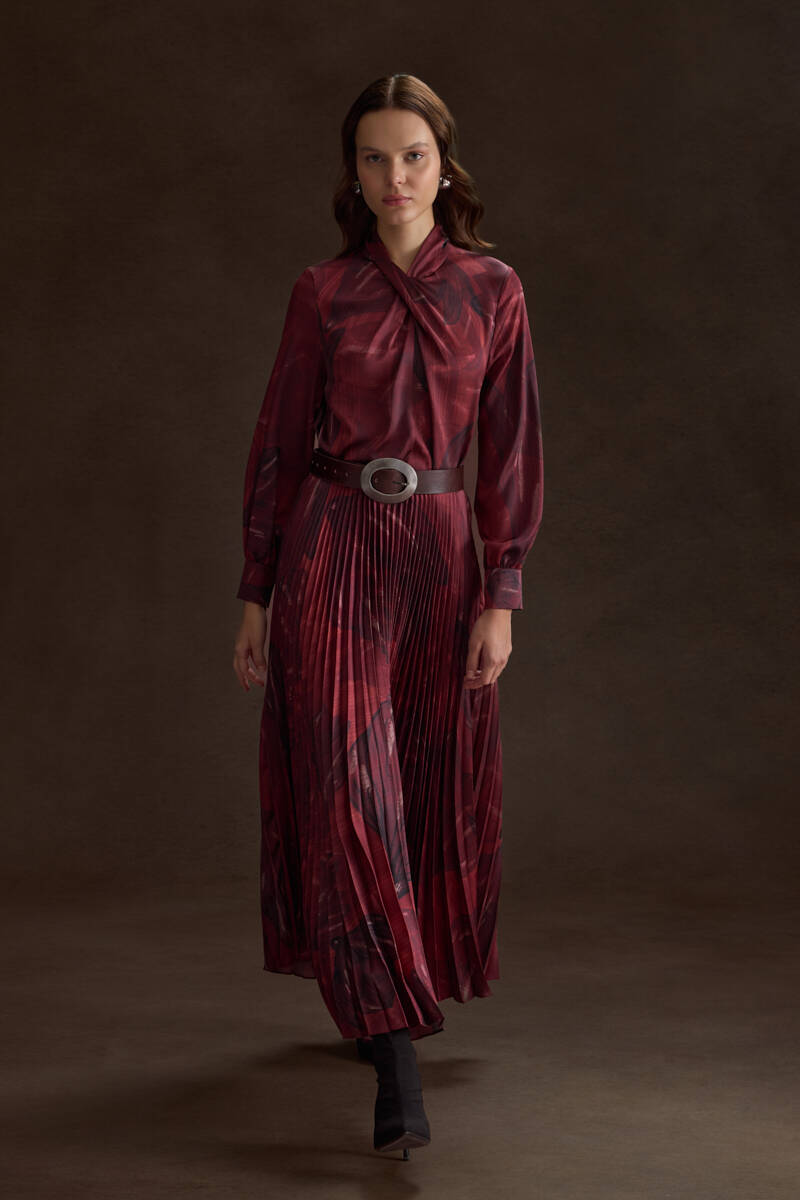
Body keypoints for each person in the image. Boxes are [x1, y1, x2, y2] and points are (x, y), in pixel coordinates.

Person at [232, 73, 544, 1159]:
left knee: (418, 786)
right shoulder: (323, 292)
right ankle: (396, 1060)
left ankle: (384, 999)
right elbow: (278, 444)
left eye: (412, 155)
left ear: (443, 166)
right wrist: (256, 589)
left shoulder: (493, 291)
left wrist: (502, 593)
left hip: (441, 559)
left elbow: (511, 449)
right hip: (331, 546)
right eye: (373, 158)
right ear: (352, 175)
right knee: (351, 792)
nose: (394, 176)